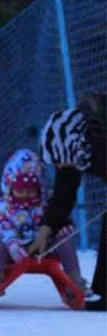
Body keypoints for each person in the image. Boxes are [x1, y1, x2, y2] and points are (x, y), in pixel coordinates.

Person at [0, 148, 87, 302]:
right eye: (20, 191)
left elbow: (60, 218)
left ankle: (74, 279)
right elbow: (1, 226)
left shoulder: (47, 203)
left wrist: (63, 228)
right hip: (16, 249)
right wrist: (12, 243)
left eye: (31, 191)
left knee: (65, 243)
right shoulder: (2, 207)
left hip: (46, 248)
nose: (26, 195)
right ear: (10, 188)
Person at [31, 92, 106, 311]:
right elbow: (64, 194)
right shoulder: (77, 149)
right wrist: (45, 230)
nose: (59, 167)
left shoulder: (99, 145)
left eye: (59, 161)